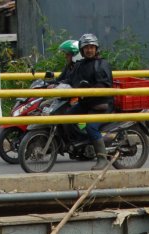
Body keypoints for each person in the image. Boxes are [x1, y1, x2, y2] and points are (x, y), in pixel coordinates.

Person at [62, 32, 114, 168]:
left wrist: (89, 88)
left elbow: (105, 84)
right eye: (86, 47)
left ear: (96, 49)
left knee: (91, 126)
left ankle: (102, 159)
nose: (89, 50)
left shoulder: (102, 65)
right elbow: (69, 79)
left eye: (92, 47)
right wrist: (53, 84)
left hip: (101, 105)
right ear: (82, 50)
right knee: (66, 118)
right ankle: (83, 145)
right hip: (85, 103)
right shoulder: (80, 65)